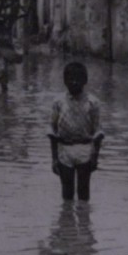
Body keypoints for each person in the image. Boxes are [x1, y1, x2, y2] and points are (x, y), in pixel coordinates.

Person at [48, 62, 104, 202]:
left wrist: (95, 157)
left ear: (85, 81)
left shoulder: (93, 102)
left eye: (78, 79)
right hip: (64, 149)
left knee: (84, 192)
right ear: (64, 81)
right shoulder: (58, 102)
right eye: (70, 79)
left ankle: (84, 221)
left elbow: (98, 132)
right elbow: (52, 132)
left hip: (85, 148)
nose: (74, 82)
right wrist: (54, 159)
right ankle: (67, 222)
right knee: (67, 192)